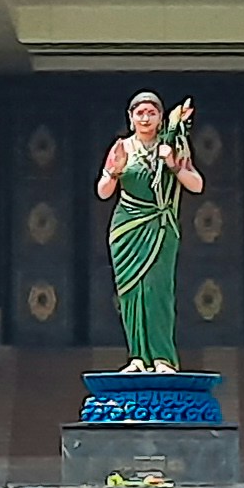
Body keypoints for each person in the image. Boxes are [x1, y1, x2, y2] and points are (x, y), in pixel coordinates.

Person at [95, 91, 209, 371]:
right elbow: (103, 192)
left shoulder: (173, 145)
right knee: (130, 293)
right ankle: (138, 357)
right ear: (130, 118)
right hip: (127, 228)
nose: (145, 118)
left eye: (151, 113)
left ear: (160, 118)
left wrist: (171, 164)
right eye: (139, 113)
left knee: (157, 291)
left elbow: (196, 184)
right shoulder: (121, 148)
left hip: (160, 226)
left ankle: (162, 357)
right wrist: (113, 172)